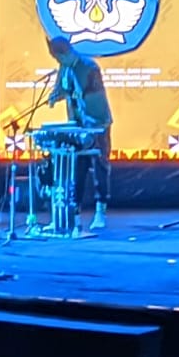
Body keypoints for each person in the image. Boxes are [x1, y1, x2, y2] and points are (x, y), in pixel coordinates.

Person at [47, 36, 113, 231]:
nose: (58, 62)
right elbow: (61, 88)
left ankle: (100, 211)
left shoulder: (89, 67)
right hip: (77, 125)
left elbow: (91, 96)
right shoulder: (65, 67)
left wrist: (71, 94)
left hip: (97, 124)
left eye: (59, 58)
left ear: (66, 53)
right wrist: (55, 95)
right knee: (77, 169)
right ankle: (74, 214)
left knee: (99, 166)